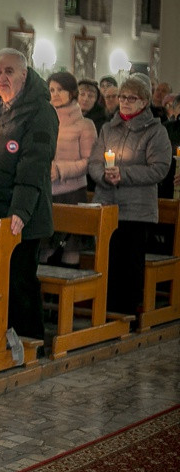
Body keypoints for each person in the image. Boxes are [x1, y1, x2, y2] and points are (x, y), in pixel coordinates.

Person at [0, 48, 57, 341]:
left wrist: (20, 211)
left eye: (9, 71)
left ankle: (31, 341)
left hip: (24, 212)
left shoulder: (40, 111)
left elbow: (34, 164)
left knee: (20, 280)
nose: (3, 77)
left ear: (24, 73)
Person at [88, 77, 171, 318]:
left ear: (144, 102)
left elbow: (159, 168)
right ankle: (106, 312)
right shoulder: (107, 128)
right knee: (108, 262)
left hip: (137, 209)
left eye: (130, 98)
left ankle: (127, 314)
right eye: (122, 97)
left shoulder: (155, 131)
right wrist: (104, 174)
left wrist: (123, 174)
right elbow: (94, 161)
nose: (124, 102)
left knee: (129, 264)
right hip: (107, 203)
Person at [41, 72, 96, 266]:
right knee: (44, 249)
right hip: (47, 192)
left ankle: (68, 293)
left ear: (72, 93)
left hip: (72, 193)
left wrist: (61, 169)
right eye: (52, 90)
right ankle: (45, 295)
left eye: (60, 90)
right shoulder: (44, 119)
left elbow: (89, 162)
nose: (55, 94)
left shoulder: (84, 125)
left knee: (70, 249)